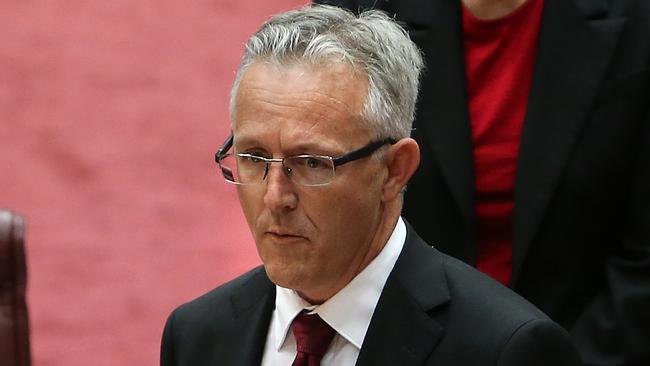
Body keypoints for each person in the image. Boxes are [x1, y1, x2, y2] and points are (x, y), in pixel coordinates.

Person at [160, 5, 583, 366]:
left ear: (395, 169)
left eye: (311, 163)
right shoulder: (196, 337)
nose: (274, 198)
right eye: (253, 159)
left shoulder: (506, 350)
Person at [314, 0, 650, 365]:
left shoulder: (636, 21)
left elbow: (641, 260)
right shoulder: (358, 10)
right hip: (396, 339)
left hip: (587, 342)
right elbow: (323, 212)